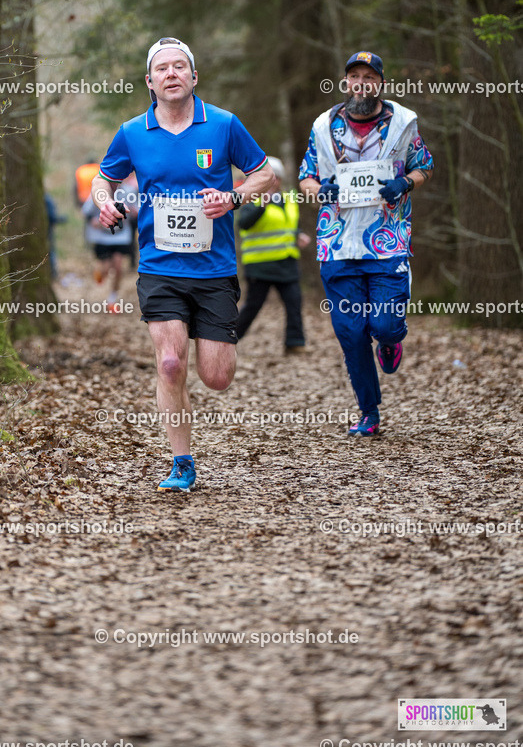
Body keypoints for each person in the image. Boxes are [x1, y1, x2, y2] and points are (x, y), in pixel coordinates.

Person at [92, 36, 274, 490]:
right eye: (162, 68)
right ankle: (181, 462)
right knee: (171, 363)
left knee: (216, 377)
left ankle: (208, 347)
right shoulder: (133, 131)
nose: (171, 74)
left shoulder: (224, 125)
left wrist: (232, 197)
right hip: (159, 267)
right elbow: (104, 177)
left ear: (194, 77)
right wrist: (105, 202)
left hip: (214, 269)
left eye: (179, 67)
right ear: (150, 82)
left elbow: (266, 175)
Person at [299, 50, 434, 436]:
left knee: (386, 325)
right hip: (338, 245)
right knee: (350, 332)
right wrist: (319, 190)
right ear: (346, 83)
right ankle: (369, 413)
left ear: (380, 84)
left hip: (387, 242)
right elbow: (306, 177)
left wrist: (404, 183)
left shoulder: (404, 122)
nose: (362, 83)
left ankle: (391, 342)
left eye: (369, 77)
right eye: (354, 77)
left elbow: (423, 165)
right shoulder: (323, 126)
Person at [236, 156, 311, 353]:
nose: (273, 181)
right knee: (253, 306)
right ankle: (230, 340)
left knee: (294, 303)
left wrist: (298, 235)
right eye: (269, 177)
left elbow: (290, 225)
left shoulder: (290, 198)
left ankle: (295, 343)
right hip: (260, 265)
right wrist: (263, 204)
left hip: (286, 261)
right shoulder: (250, 199)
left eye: (276, 177)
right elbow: (244, 224)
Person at [82, 173, 139, 311]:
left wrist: (134, 212)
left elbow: (138, 209)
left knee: (118, 267)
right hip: (102, 236)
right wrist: (92, 220)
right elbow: (86, 210)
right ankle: (100, 274)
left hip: (121, 236)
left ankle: (112, 299)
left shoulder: (129, 192)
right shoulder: (100, 191)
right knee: (106, 268)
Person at [44, 193, 67, 280]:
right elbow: (51, 217)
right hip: (47, 230)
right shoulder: (47, 199)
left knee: (50, 252)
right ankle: (52, 274)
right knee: (51, 252)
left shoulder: (45, 198)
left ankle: (52, 274)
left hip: (46, 230)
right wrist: (60, 219)